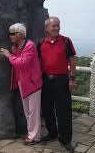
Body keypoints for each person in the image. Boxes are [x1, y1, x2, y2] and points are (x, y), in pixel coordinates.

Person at [38, 16, 77, 152]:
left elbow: (72, 61)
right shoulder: (41, 42)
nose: (56, 28)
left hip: (62, 80)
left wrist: (72, 78)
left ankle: (65, 139)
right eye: (53, 26)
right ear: (47, 28)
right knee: (47, 109)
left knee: (64, 111)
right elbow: (36, 61)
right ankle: (52, 134)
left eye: (58, 25)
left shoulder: (66, 41)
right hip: (46, 80)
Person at [0, 23, 43, 145]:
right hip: (23, 82)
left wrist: (9, 55)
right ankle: (31, 134)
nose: (10, 36)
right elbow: (18, 61)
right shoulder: (18, 46)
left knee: (33, 112)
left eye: (12, 34)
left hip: (33, 83)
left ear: (20, 34)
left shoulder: (29, 46)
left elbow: (22, 63)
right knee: (28, 111)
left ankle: (35, 137)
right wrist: (13, 53)